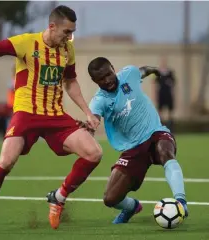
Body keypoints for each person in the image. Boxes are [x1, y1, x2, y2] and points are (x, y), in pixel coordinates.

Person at [0, 5, 102, 235]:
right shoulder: (26, 42)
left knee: (94, 153)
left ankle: (58, 198)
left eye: (72, 32)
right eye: (66, 32)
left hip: (54, 115)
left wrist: (87, 112)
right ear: (52, 26)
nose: (69, 37)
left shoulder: (67, 49)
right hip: (26, 113)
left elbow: (70, 82)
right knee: (6, 161)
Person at [78, 57, 188, 224]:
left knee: (166, 151)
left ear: (113, 69)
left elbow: (144, 70)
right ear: (94, 81)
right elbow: (93, 119)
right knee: (110, 198)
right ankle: (132, 207)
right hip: (133, 147)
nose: (107, 80)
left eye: (109, 74)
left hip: (156, 132)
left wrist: (156, 70)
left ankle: (181, 202)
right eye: (101, 79)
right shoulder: (99, 101)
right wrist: (89, 126)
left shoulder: (129, 74)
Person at [154, 57, 176, 131]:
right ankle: (161, 128)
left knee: (170, 111)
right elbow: (155, 85)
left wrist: (173, 94)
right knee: (160, 111)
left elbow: (173, 84)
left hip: (168, 93)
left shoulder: (170, 73)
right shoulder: (158, 73)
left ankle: (171, 128)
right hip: (161, 93)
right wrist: (155, 95)